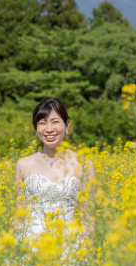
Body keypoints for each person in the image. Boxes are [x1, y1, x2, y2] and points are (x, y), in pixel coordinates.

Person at [14, 98, 96, 241]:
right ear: (35, 127)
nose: (49, 129)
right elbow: (19, 215)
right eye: (42, 123)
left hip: (70, 244)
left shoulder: (84, 165)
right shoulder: (23, 165)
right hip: (30, 245)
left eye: (55, 122)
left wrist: (90, 251)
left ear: (67, 124)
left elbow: (88, 219)